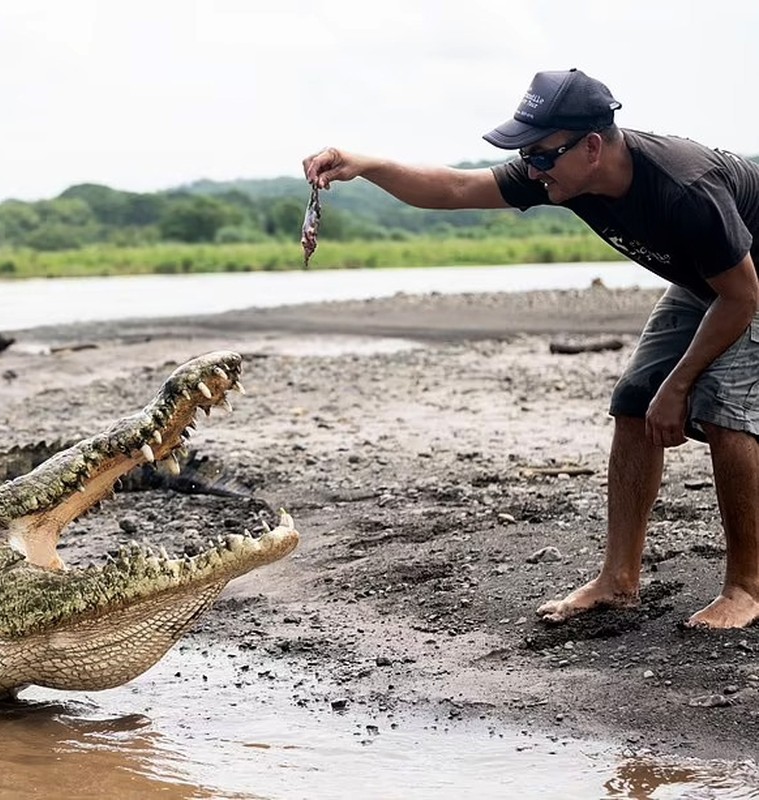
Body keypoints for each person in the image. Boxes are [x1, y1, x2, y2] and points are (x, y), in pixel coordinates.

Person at [303, 68, 759, 629]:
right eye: (527, 154)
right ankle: (619, 579)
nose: (531, 166)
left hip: (745, 280)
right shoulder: (559, 173)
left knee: (726, 411)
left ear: (592, 147)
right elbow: (454, 188)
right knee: (634, 402)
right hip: (706, 278)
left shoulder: (685, 188)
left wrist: (681, 384)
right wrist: (365, 164)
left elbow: (740, 298)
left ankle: (745, 588)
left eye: (541, 154)